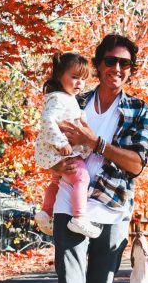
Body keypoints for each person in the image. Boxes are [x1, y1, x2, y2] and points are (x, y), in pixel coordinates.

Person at [46, 33, 148, 283]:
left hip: (112, 211)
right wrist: (53, 164)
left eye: (125, 63)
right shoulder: (74, 101)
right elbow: (46, 142)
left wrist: (97, 144)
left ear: (131, 70)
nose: (117, 69)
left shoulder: (138, 110)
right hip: (69, 207)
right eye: (110, 61)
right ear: (99, 64)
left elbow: (138, 163)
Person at [33, 52, 101, 241]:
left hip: (59, 151)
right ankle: (79, 217)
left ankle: (46, 213)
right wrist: (61, 143)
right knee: (81, 177)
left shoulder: (66, 98)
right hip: (62, 151)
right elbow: (47, 121)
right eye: (74, 77)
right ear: (59, 76)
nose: (79, 83)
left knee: (56, 182)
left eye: (83, 79)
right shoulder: (59, 98)